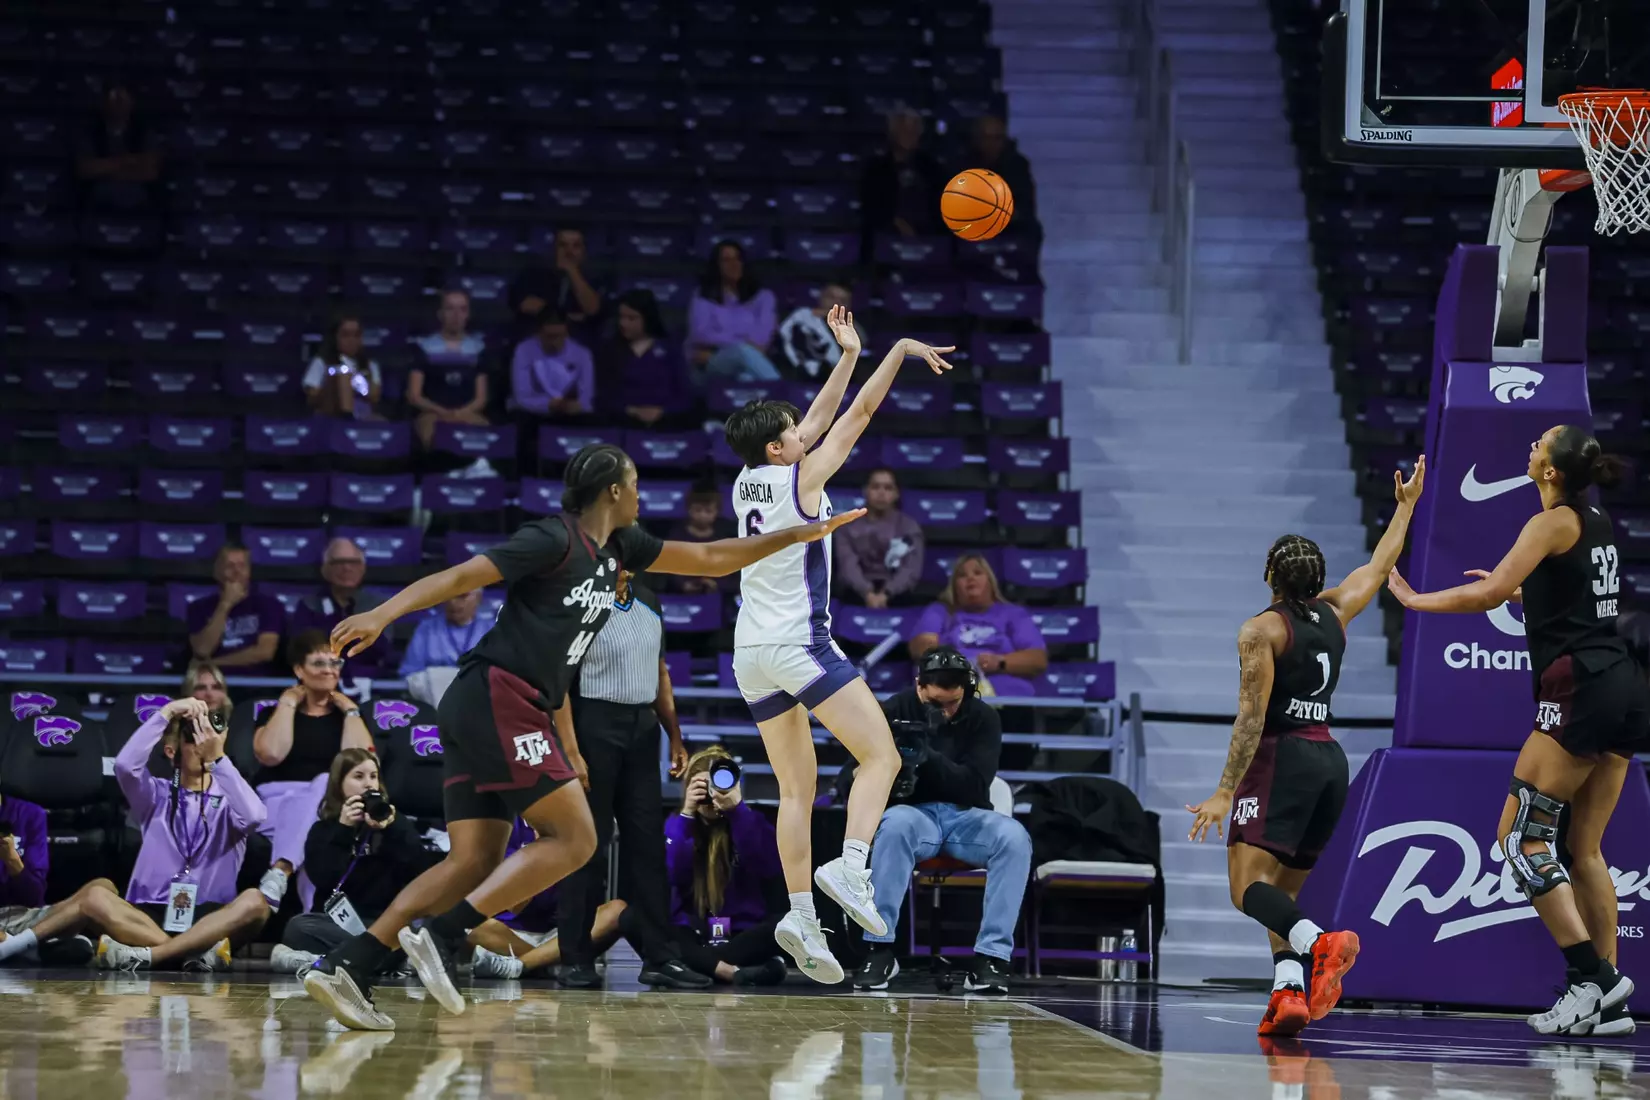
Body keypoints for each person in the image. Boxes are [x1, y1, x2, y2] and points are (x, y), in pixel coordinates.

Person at [301, 442, 863, 1030]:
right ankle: (441, 935)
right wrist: (382, 614)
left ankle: (349, 965)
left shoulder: (623, 546)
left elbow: (715, 557)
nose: (643, 495)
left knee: (473, 860)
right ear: (614, 492)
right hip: (498, 694)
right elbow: (462, 575)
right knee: (577, 838)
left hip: (494, 704)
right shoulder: (552, 538)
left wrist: (801, 535)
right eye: (637, 483)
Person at [1389, 428, 1646, 1036]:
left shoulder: (1549, 522)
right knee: (1584, 849)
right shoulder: (1594, 516)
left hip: (1579, 689)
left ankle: (1593, 981)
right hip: (1624, 686)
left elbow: (1489, 593)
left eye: (1541, 443)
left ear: (1551, 471)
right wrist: (1534, 587)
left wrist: (1415, 598)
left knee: (1520, 838)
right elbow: (1572, 595)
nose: (1531, 444)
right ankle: (1609, 1002)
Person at [724, 308, 953, 983]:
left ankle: (799, 913)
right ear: (778, 448)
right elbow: (852, 421)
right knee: (879, 755)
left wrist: (847, 355)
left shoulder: (749, 479)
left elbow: (820, 420)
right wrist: (897, 353)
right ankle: (851, 868)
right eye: (792, 433)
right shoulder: (801, 479)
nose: (803, 433)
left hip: (750, 653)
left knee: (797, 790)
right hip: (798, 642)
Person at [1187, 457, 1426, 1038]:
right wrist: (1407, 506)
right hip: (1328, 762)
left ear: (1270, 575)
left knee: (1249, 890)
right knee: (1283, 893)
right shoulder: (1337, 610)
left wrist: (1223, 793)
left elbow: (1251, 719)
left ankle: (1321, 945)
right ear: (1318, 581)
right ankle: (1289, 994)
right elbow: (1378, 565)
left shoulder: (1260, 630)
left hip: (1281, 759)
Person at [852, 647, 1029, 994]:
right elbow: (851, 775)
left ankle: (991, 959)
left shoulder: (984, 718)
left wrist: (925, 756)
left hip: (966, 816)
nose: (945, 711)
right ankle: (880, 949)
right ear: (919, 686)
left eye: (953, 702)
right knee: (895, 824)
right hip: (914, 813)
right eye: (935, 703)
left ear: (966, 691)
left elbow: (974, 785)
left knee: (1014, 837)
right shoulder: (894, 710)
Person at [555, 568, 698, 989]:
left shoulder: (649, 601)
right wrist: (571, 750)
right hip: (592, 721)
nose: (623, 569)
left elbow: (661, 673)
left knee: (648, 845)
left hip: (641, 727)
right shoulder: (581, 600)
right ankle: (574, 958)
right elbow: (559, 682)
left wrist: (674, 734)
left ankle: (659, 956)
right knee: (588, 846)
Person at [96, 697, 271, 970]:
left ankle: (153, 956)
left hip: (209, 916)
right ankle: (189, 956)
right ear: (170, 751)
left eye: (208, 739)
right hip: (150, 910)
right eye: (192, 740)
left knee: (256, 902)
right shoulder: (155, 793)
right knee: (97, 895)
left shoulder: (231, 798)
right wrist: (166, 713)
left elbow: (255, 816)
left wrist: (218, 760)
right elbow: (125, 766)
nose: (201, 745)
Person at [269, 748, 439, 975]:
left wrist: (393, 828)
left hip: (385, 921)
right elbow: (324, 878)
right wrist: (343, 830)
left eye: (373, 776)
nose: (368, 784)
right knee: (298, 926)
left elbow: (420, 873)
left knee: (419, 932)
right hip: (337, 924)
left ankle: (319, 962)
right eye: (358, 777)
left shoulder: (396, 825)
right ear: (340, 783)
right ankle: (380, 962)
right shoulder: (323, 830)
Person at [639, 746, 789, 986]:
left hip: (743, 935)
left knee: (789, 924)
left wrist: (736, 810)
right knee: (635, 917)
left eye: (718, 785)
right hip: (695, 934)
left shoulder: (750, 820)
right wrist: (687, 813)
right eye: (702, 786)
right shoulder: (677, 825)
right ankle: (729, 971)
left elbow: (768, 867)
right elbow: (673, 875)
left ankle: (689, 966)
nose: (711, 794)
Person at [252, 631, 376, 910]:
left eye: (335, 663)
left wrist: (352, 711)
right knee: (316, 834)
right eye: (319, 663)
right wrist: (288, 702)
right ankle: (313, 927)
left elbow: (358, 762)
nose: (330, 670)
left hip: (327, 806)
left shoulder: (347, 716)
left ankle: (280, 872)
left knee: (323, 786)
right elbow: (271, 755)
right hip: (275, 804)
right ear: (299, 669)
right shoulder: (272, 712)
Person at [464, 818, 628, 978]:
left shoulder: (580, 827)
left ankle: (521, 965)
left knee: (617, 910)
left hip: (563, 933)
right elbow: (515, 905)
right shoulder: (508, 827)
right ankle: (547, 962)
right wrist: (541, 852)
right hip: (510, 932)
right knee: (469, 924)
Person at [908, 555, 1046, 695]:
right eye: (962, 575)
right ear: (954, 586)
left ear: (991, 582)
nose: (970, 578)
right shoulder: (939, 611)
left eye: (978, 573)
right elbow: (921, 647)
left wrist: (1000, 663)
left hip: (1007, 697)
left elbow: (1037, 659)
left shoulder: (1014, 613)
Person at [595, 288, 695, 428]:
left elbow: (684, 396)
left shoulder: (670, 349)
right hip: (621, 423)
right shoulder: (609, 350)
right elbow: (603, 397)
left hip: (665, 423)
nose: (623, 323)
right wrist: (631, 410)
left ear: (647, 318)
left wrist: (662, 411)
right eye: (621, 317)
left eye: (631, 318)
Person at [291, 538, 389, 679]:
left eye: (353, 562)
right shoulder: (308, 605)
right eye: (338, 562)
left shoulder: (378, 605)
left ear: (362, 568)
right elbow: (304, 649)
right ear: (325, 569)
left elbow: (379, 650)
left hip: (369, 684)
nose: (347, 568)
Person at [686, 240, 780, 382]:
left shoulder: (764, 297)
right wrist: (742, 342)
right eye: (726, 260)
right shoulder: (703, 296)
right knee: (742, 351)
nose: (734, 264)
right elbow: (701, 334)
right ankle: (785, 396)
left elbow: (762, 340)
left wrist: (720, 340)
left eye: (738, 259)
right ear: (717, 265)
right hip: (715, 362)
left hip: (735, 358)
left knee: (746, 378)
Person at [409, 288, 491, 450]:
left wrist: (460, 414)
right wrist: (442, 412)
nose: (456, 315)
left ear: (468, 314)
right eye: (450, 308)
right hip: (432, 413)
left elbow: (481, 398)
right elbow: (414, 395)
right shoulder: (424, 347)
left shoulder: (478, 348)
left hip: (467, 412)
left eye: (462, 309)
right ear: (440, 313)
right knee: (429, 430)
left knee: (485, 430)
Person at [858, 107, 943, 261]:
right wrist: (895, 222)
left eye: (914, 130)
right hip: (886, 239)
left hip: (928, 239)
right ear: (893, 133)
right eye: (904, 129)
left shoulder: (932, 168)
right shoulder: (875, 168)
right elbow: (870, 208)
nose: (909, 135)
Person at [186, 543, 284, 676]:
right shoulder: (198, 607)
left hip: (257, 683)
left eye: (242, 566)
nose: (237, 571)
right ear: (217, 571)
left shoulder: (269, 605)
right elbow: (202, 650)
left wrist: (213, 663)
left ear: (249, 571)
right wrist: (225, 604)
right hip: (213, 683)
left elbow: (264, 652)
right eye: (230, 566)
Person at [836, 467, 924, 608]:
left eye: (888, 488)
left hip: (897, 594)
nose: (881, 493)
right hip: (856, 594)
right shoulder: (847, 527)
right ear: (865, 491)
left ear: (896, 494)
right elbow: (848, 566)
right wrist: (867, 593)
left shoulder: (909, 527)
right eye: (875, 487)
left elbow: (910, 569)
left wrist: (887, 593)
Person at [508, 226, 606, 346]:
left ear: (584, 251)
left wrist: (572, 271)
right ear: (554, 249)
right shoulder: (534, 273)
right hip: (536, 339)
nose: (569, 252)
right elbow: (526, 304)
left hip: (578, 342)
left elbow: (592, 309)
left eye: (576, 246)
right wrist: (566, 316)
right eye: (563, 245)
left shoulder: (593, 277)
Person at [75, 81, 162, 213]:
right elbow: (85, 169)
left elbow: (150, 172)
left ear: (131, 102)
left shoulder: (143, 132)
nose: (118, 105)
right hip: (100, 201)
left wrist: (106, 168)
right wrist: (128, 161)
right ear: (104, 103)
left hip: (138, 201)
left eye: (122, 100)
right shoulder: (91, 132)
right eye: (114, 99)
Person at [398, 591, 489, 707]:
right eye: (448, 596)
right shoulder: (426, 629)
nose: (453, 602)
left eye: (462, 596)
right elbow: (409, 675)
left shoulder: (492, 630)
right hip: (430, 707)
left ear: (478, 598)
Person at [510, 310, 594, 420]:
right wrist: (549, 404)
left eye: (560, 336)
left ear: (567, 333)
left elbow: (586, 397)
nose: (555, 342)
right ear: (539, 333)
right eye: (550, 337)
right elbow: (522, 397)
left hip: (570, 413)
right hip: (531, 413)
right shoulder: (524, 350)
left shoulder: (582, 354)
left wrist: (577, 406)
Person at [303, 311, 383, 420]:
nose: (351, 341)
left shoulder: (370, 365)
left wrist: (354, 386)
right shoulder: (321, 362)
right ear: (335, 337)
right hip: (329, 416)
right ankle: (346, 421)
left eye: (356, 335)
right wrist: (335, 385)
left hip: (362, 415)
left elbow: (374, 396)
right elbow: (311, 395)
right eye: (346, 335)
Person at [958, 115, 1036, 223]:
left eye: (997, 137)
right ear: (976, 139)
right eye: (986, 137)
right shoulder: (961, 164)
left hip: (1008, 225)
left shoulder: (1017, 165)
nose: (992, 143)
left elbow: (1024, 206)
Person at [665, 483, 737, 596]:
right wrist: (683, 584)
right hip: (681, 594)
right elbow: (668, 566)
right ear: (689, 509)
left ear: (717, 512)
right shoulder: (677, 536)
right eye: (698, 510)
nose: (703, 515)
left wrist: (716, 584)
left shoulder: (724, 537)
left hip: (718, 596)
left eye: (708, 511)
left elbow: (731, 571)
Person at [777, 284, 860, 381]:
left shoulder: (852, 328)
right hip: (795, 373)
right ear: (821, 297)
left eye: (842, 301)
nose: (836, 303)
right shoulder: (803, 316)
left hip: (834, 379)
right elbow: (784, 337)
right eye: (831, 297)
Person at [0, 793, 47, 913]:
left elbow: (35, 897)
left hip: (23, 914)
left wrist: (11, 860)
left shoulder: (31, 814)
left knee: (96, 891)